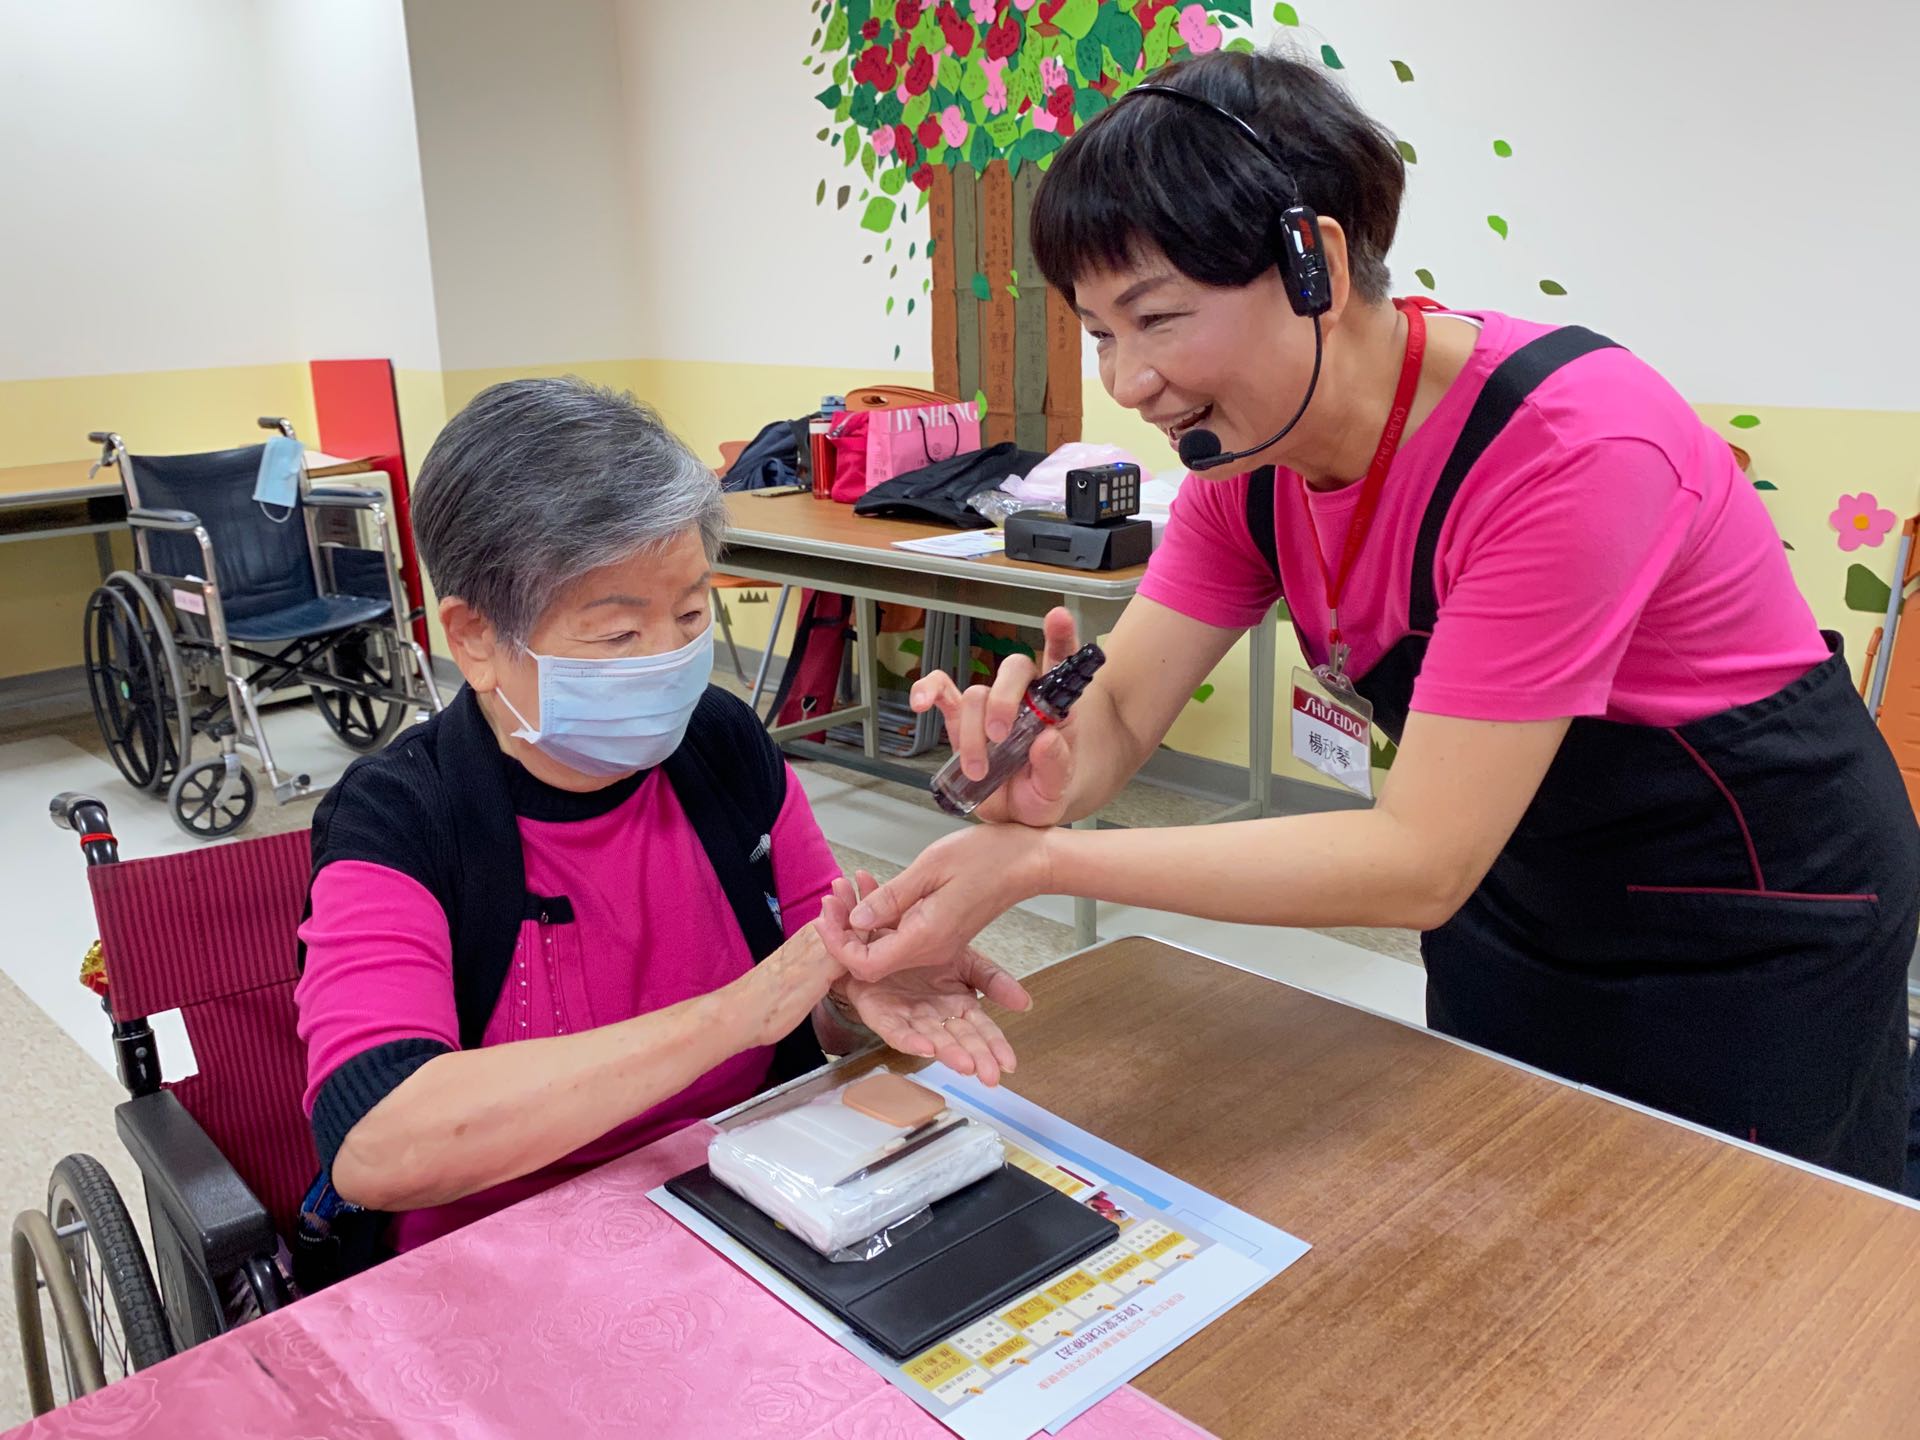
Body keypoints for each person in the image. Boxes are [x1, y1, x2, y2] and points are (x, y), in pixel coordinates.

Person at [820, 50, 1920, 1191]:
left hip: (1756, 901)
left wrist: (1037, 867)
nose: (1128, 382)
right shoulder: (1246, 466)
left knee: (1746, 1247)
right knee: (1515, 1183)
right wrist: (1050, 775)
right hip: (1521, 874)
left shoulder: (1573, 447)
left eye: (1155, 319)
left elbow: (1418, 859)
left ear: (1317, 264)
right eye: (1099, 331)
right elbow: (1126, 707)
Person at [295, 378, 1030, 1253]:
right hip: (513, 1246)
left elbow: (815, 982)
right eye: (616, 636)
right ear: (477, 638)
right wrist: (733, 1016)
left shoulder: (718, 743)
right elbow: (377, 1143)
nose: (669, 661)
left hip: (754, 1194)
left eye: (689, 616)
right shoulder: (402, 819)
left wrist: (865, 996)